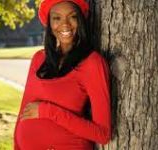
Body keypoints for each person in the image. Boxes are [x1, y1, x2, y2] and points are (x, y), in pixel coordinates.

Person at [14, 0, 111, 149]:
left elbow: (102, 134)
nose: (65, 24)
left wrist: (47, 111)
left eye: (72, 17)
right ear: (49, 23)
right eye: (57, 18)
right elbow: (23, 113)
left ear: (81, 20)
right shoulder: (39, 59)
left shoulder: (92, 63)